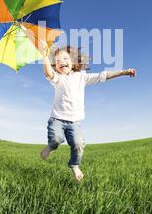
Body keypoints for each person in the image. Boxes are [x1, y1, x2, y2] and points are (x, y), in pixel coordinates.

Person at [40, 45, 136, 181]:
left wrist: (123, 72)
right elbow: (48, 74)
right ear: (55, 66)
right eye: (57, 61)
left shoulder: (81, 77)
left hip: (75, 122)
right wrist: (44, 56)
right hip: (57, 119)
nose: (61, 62)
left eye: (65, 58)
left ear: (73, 61)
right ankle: (50, 147)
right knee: (57, 139)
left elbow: (103, 76)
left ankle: (74, 165)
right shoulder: (57, 78)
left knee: (78, 144)